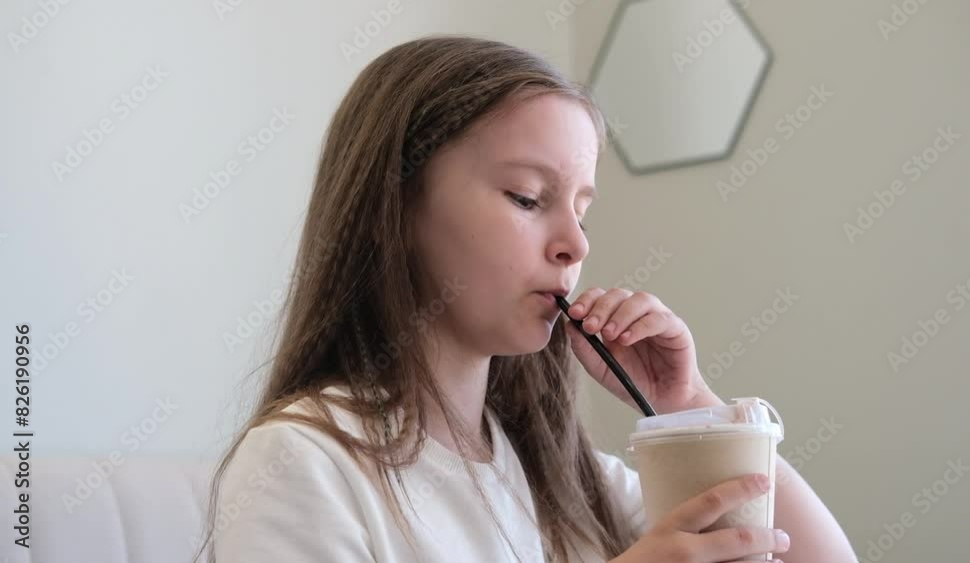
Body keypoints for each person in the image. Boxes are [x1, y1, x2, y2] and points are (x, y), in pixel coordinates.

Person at [196, 34, 857, 563]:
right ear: (392, 209)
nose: (576, 243)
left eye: (582, 211)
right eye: (527, 198)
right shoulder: (301, 461)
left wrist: (687, 404)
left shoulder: (564, 476)